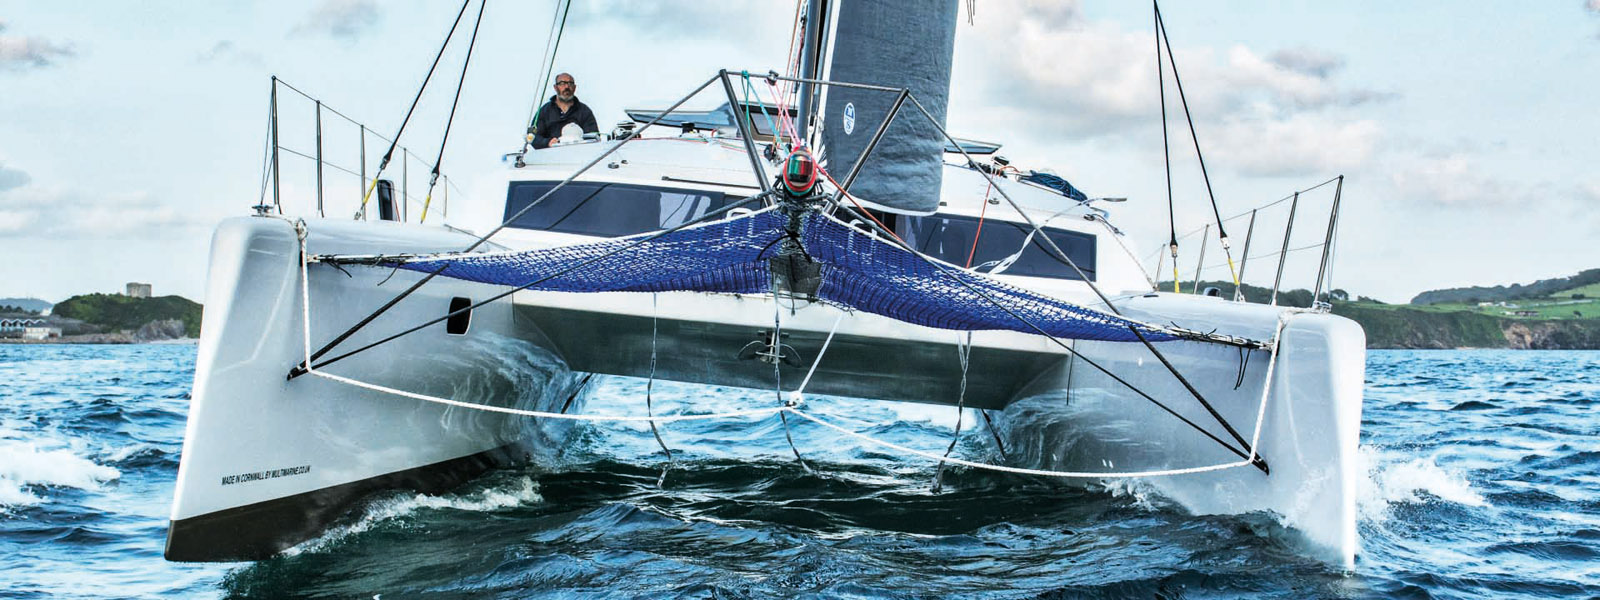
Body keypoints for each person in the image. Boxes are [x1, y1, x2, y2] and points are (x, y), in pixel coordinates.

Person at [527, 72, 598, 149]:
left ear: (574, 88)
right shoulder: (544, 111)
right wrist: (547, 142)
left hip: (578, 153)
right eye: (562, 83)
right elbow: (532, 137)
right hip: (550, 154)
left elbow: (593, 138)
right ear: (555, 87)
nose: (567, 87)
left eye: (570, 83)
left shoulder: (584, 111)